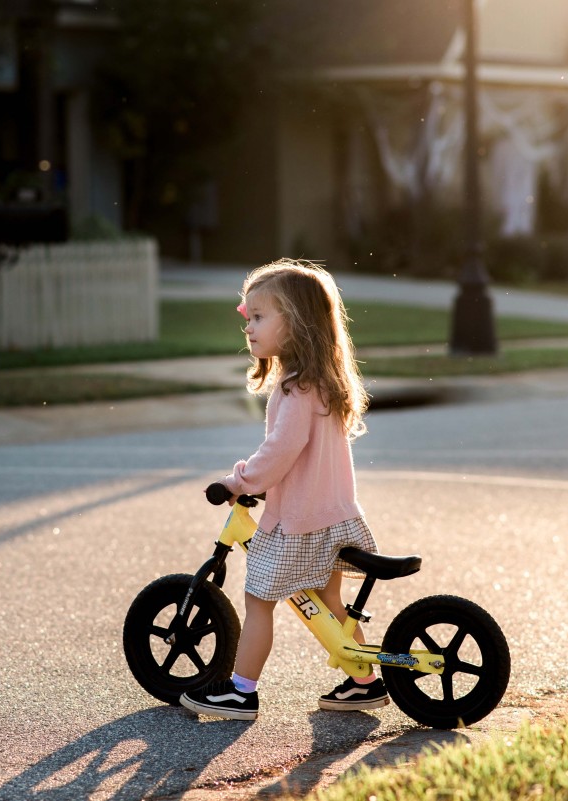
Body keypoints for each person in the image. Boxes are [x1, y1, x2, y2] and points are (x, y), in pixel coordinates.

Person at [179, 259, 386, 722]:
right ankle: (364, 681)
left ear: (295, 326)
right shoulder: (324, 385)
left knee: (258, 600)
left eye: (259, 317)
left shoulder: (295, 391)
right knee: (330, 603)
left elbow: (280, 451)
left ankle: (240, 692)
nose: (249, 327)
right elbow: (296, 455)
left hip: (300, 525)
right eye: (248, 317)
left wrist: (240, 481)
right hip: (334, 517)